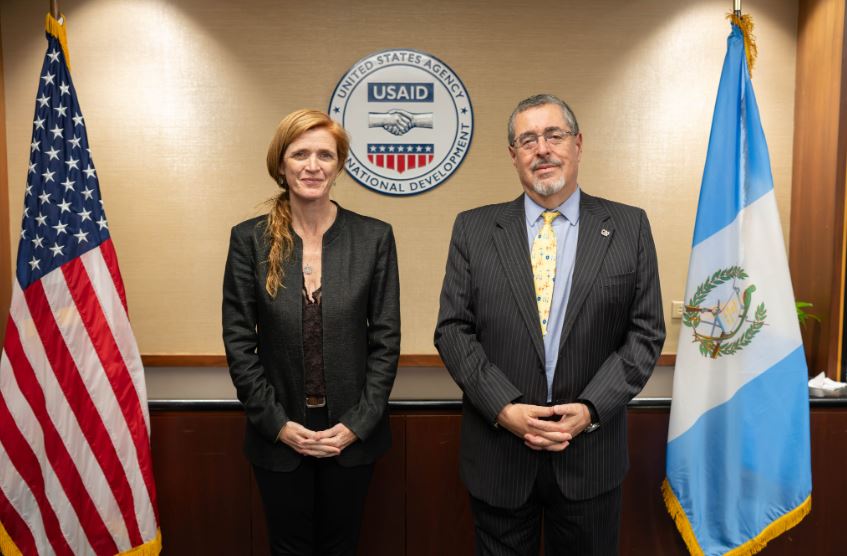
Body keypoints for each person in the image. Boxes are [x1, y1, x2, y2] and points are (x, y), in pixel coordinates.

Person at [434, 94, 665, 555]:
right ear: (513, 156)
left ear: (577, 144)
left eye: (553, 135)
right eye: (527, 140)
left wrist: (591, 410)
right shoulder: (474, 229)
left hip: (590, 458)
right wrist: (505, 409)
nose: (541, 149)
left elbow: (645, 333)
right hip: (500, 456)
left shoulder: (628, 226)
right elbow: (453, 331)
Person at [222, 109, 400, 556]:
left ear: (339, 165)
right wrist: (278, 425)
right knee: (289, 547)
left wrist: (356, 425)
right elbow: (240, 342)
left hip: (351, 434)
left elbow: (385, 341)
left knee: (344, 546)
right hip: (279, 432)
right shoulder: (250, 239)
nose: (313, 165)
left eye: (325, 154)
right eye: (300, 153)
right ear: (280, 164)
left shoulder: (374, 237)